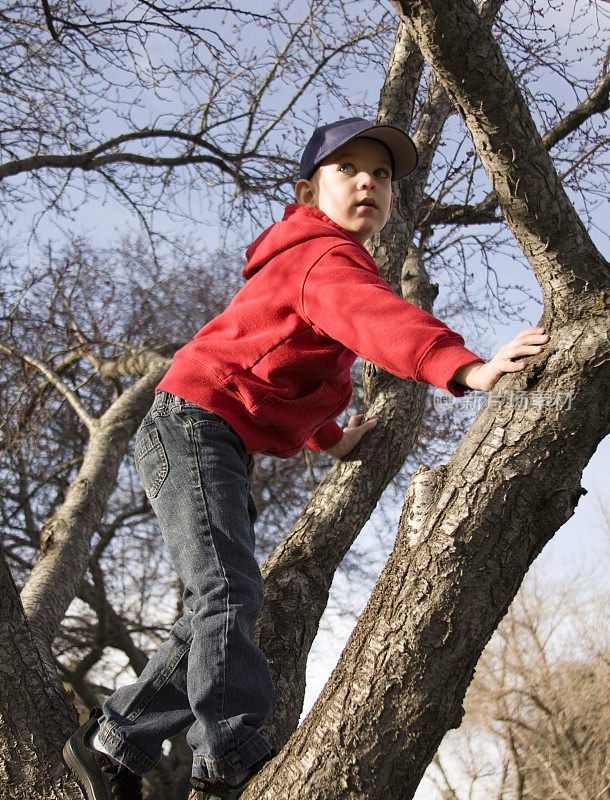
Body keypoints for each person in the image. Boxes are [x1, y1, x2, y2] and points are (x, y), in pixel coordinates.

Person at [63, 118, 549, 800]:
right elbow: (379, 318)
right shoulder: (321, 257)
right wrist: (465, 367)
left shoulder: (321, 267)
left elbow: (301, 380)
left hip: (214, 439)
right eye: (348, 169)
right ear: (305, 192)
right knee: (228, 594)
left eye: (381, 175)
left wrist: (333, 439)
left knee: (218, 601)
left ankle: (117, 741)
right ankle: (226, 748)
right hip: (193, 428)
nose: (368, 183)